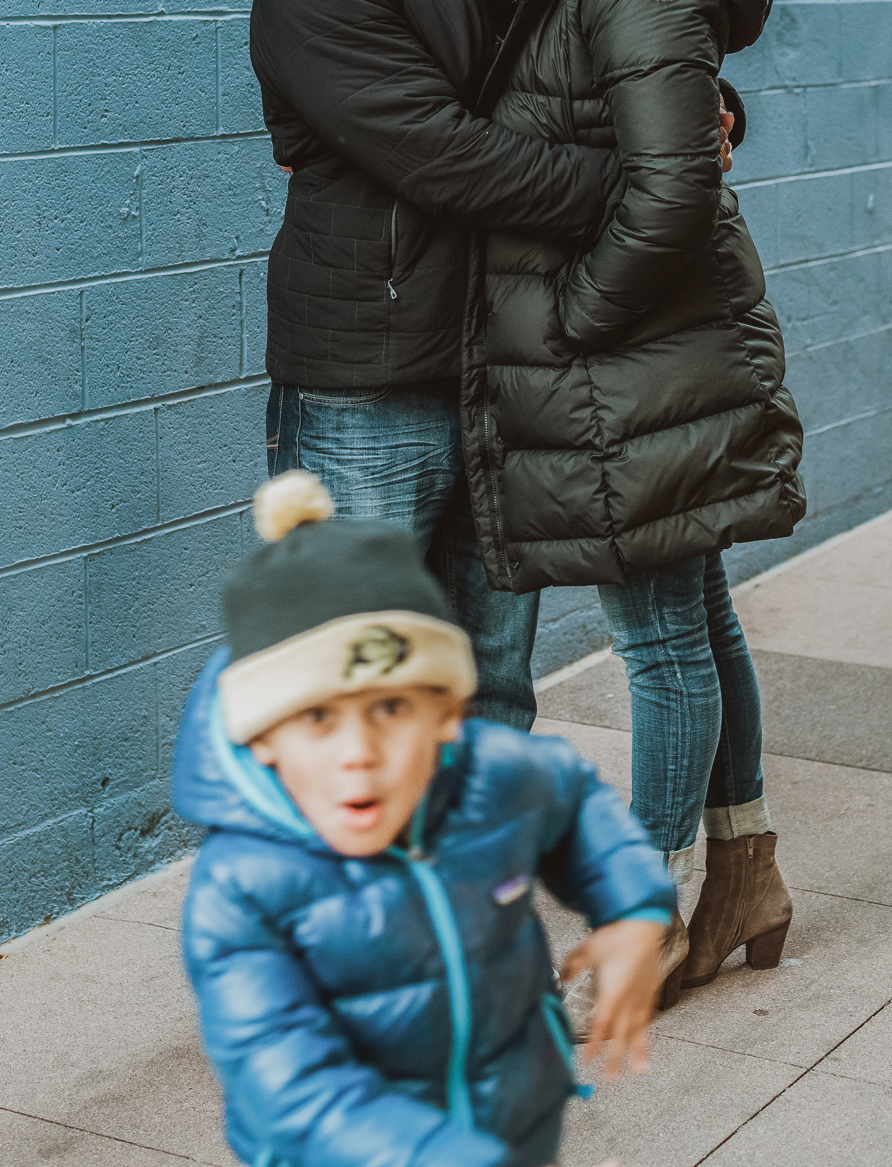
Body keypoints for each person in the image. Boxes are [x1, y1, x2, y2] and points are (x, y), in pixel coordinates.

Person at [250, 0, 731, 734]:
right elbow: (452, 157)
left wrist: (702, 105)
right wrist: (644, 180)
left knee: (489, 690)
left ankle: (476, 894)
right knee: (365, 689)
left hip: (480, 365)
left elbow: (562, 58)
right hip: (368, 384)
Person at [467, 0, 804, 1002]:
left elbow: (669, 191)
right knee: (694, 617)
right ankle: (747, 870)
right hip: (630, 352)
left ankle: (642, 916)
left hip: (627, 355)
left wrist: (576, 324)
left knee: (656, 641)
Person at [173, 469, 677, 1167]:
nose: (361, 755)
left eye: (391, 709)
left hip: (513, 1124)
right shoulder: (243, 888)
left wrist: (634, 911)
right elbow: (291, 1091)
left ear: (444, 715)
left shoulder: (487, 773)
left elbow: (577, 798)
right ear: (261, 737)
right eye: (317, 718)